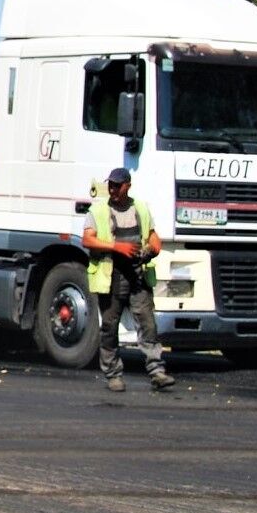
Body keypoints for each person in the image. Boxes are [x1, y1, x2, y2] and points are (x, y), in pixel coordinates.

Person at [82, 167, 176, 392]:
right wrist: (117, 247)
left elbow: (154, 239)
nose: (112, 189)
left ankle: (157, 372)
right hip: (111, 276)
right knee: (109, 327)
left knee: (147, 324)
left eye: (117, 185)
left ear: (128, 186)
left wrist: (151, 250)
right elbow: (87, 239)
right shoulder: (98, 211)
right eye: (111, 185)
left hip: (137, 275)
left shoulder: (140, 208)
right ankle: (113, 374)